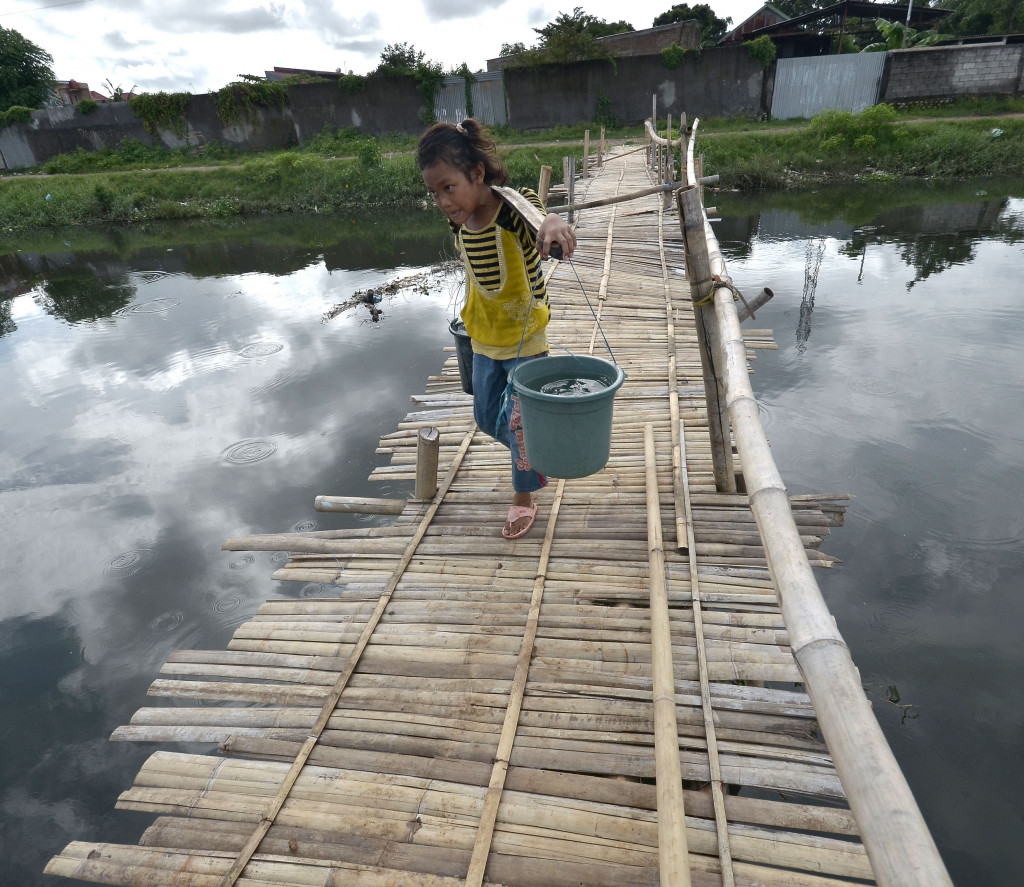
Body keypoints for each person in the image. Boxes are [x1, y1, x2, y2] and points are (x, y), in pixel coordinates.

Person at [417, 118, 576, 539]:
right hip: (484, 339)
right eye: (434, 192)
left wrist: (555, 223)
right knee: (488, 418)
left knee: (520, 425)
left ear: (478, 173)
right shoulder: (460, 220)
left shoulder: (512, 206)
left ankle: (523, 495)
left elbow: (545, 219)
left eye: (448, 187)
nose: (442, 201)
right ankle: (536, 447)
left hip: (526, 339)